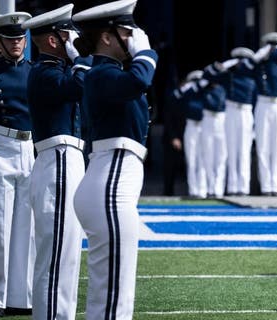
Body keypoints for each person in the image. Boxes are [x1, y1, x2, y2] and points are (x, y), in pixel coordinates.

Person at [71, 0, 158, 318]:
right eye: (127, 31)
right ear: (107, 37)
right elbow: (140, 81)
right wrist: (147, 52)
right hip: (111, 182)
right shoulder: (101, 73)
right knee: (113, 299)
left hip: (111, 179)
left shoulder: (108, 73)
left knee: (112, 295)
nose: (134, 38)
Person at [22, 4, 91, 319]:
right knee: (57, 255)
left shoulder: (55, 70)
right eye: (68, 35)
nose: (74, 40)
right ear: (52, 40)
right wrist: (77, 55)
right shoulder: (46, 72)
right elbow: (82, 85)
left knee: (67, 253)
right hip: (59, 161)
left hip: (66, 159)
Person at [0, 11, 35, 318]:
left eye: (20, 38)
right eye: (10, 39)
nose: (17, 43)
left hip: (29, 145)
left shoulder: (34, 70)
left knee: (27, 228)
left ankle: (23, 296)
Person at [209, 48, 258, 196]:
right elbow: (208, 75)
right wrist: (226, 65)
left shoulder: (253, 76)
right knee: (231, 150)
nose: (240, 65)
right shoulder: (228, 76)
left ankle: (243, 188)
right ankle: (232, 187)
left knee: (243, 151)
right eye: (238, 61)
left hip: (245, 112)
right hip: (230, 111)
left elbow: (256, 101)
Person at [252, 32, 277, 196]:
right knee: (263, 147)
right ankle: (266, 187)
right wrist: (265, 50)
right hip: (263, 103)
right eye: (271, 46)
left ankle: (276, 186)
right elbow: (252, 60)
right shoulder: (260, 63)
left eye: (276, 46)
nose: (274, 50)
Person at [199, 65, 228, 198]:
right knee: (208, 155)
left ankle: (218, 188)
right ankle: (210, 187)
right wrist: (211, 70)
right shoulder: (204, 87)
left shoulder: (224, 87)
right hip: (208, 119)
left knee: (221, 156)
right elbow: (204, 78)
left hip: (221, 120)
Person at [180, 70, 207, 198]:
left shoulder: (205, 91)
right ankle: (193, 190)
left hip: (203, 126)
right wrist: (192, 86)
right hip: (191, 126)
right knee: (191, 159)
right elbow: (178, 95)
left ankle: (202, 190)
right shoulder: (188, 91)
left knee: (202, 158)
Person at [162, 77, 187, 196]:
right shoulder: (173, 97)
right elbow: (168, 119)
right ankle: (168, 192)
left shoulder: (192, 96)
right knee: (170, 168)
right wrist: (174, 137)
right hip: (173, 138)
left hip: (187, 136)